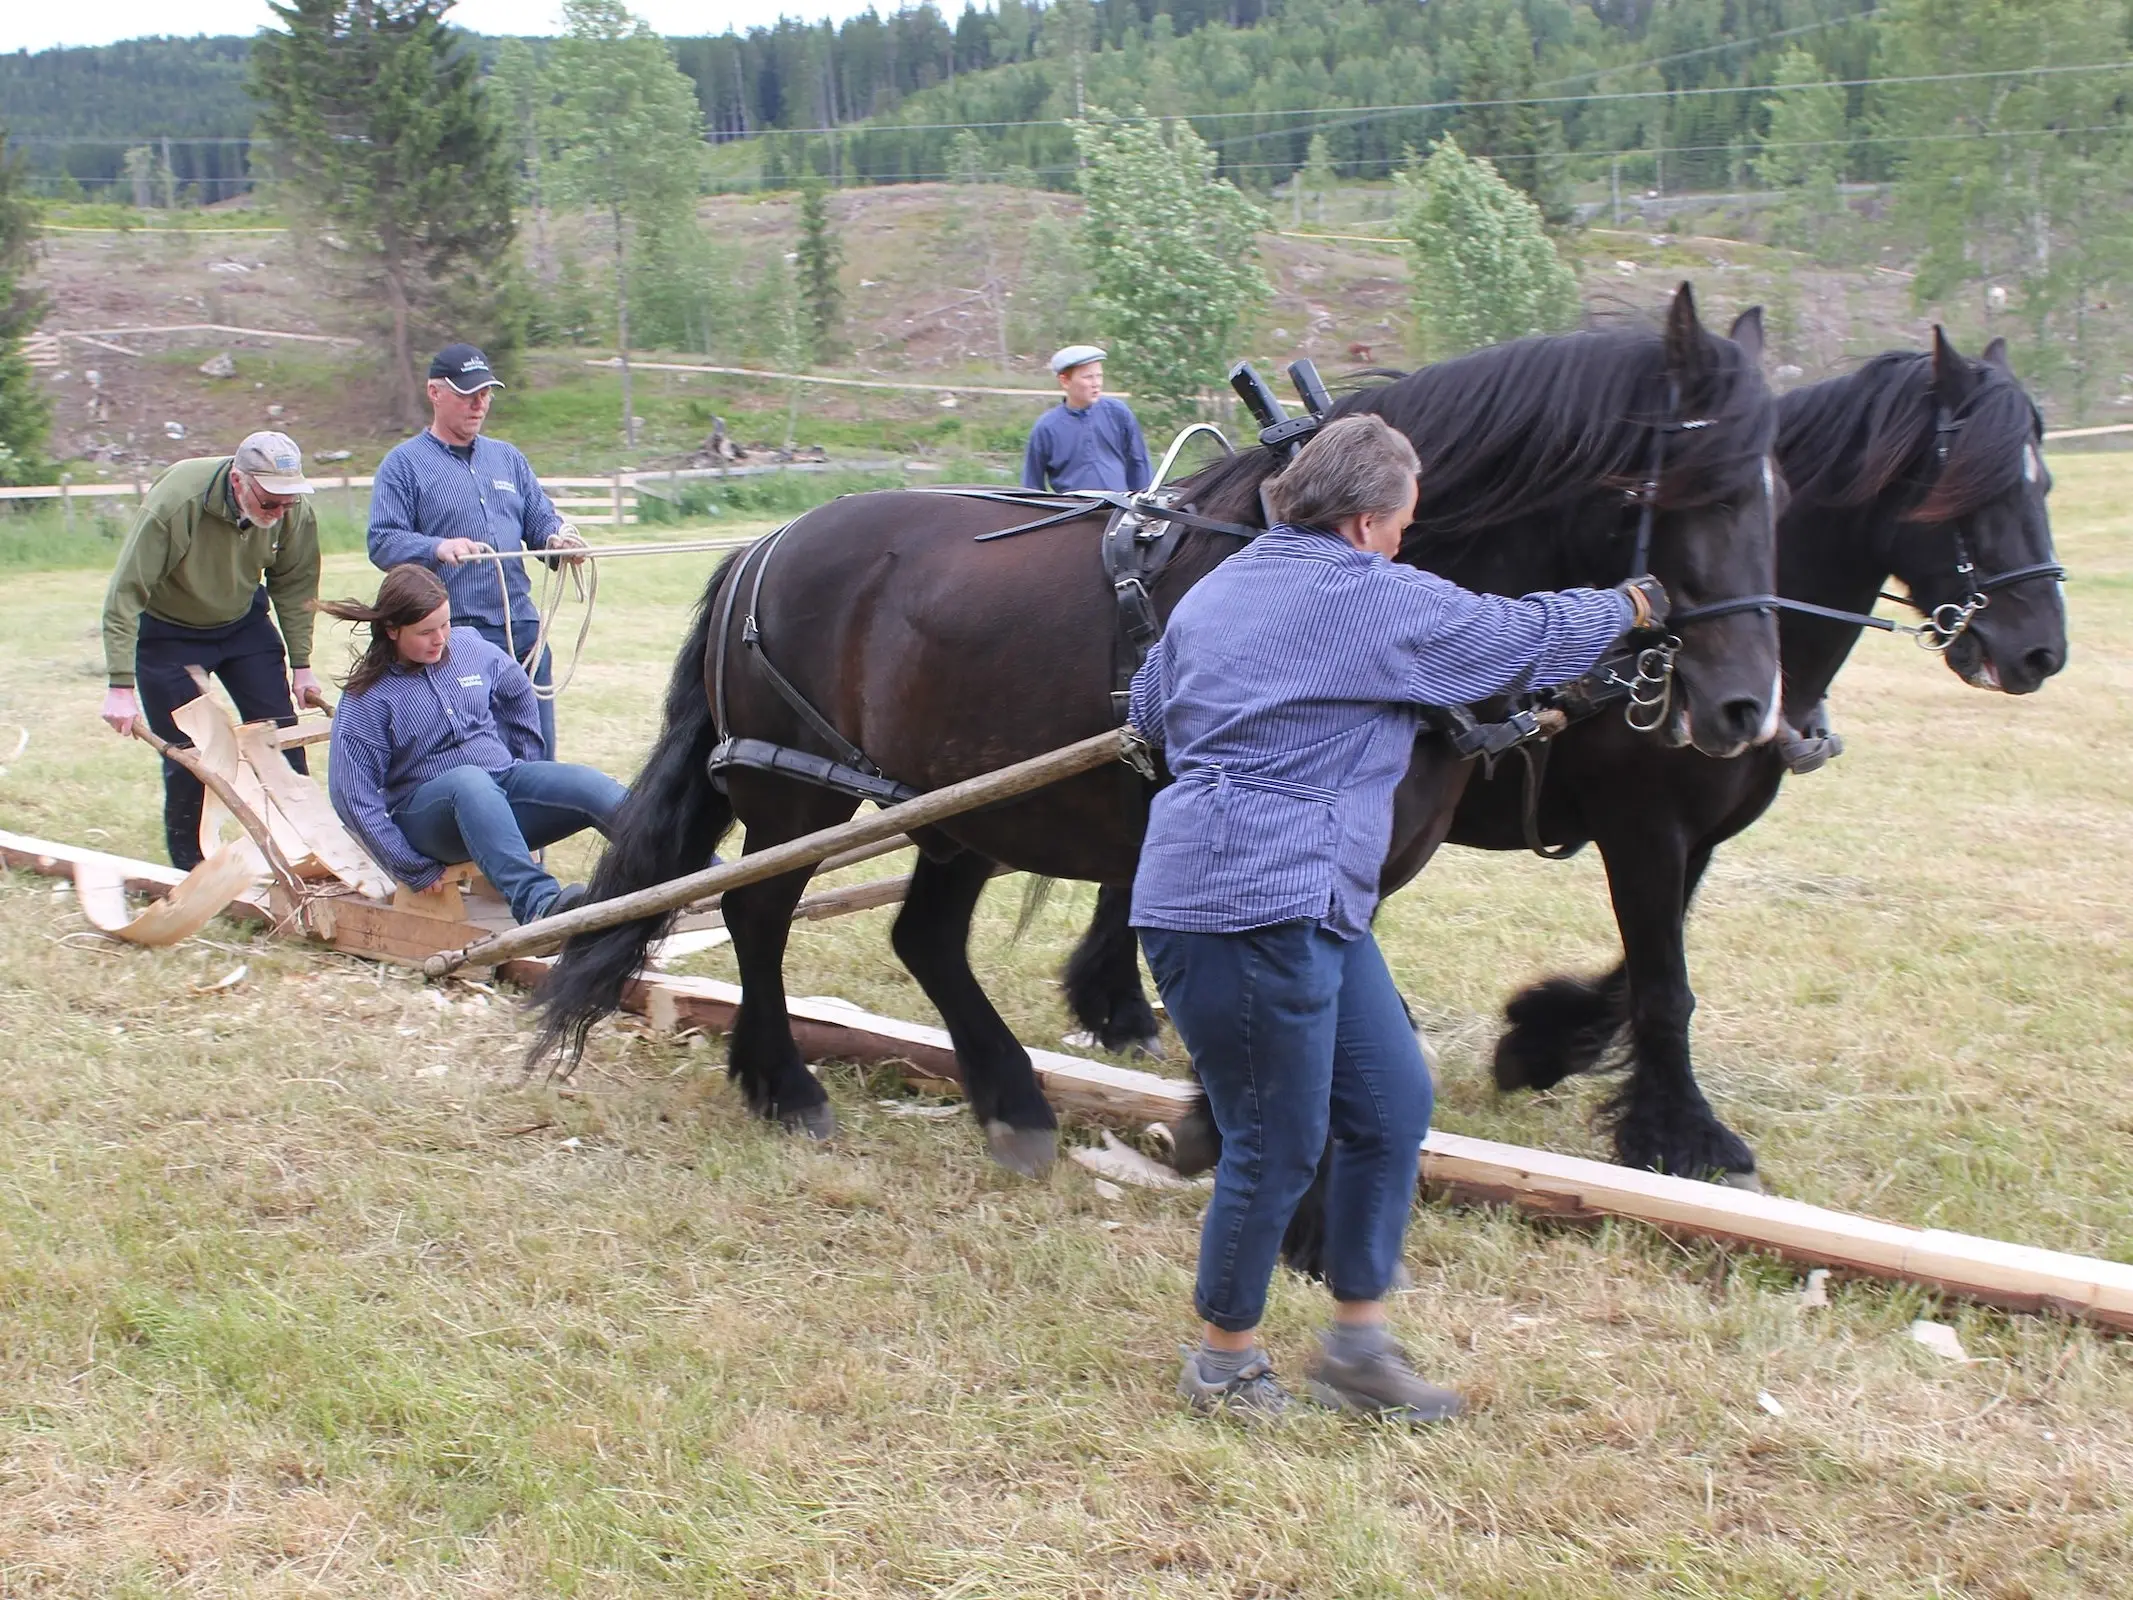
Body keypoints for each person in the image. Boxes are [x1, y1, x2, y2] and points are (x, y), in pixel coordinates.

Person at [1127, 415, 1669, 1424]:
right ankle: (1222, 1363)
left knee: (1389, 1104)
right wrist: (1631, 603)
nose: (1407, 540)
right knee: (1275, 1142)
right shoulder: (1374, 600)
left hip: (1317, 899)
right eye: (1405, 524)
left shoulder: (1216, 591)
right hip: (1238, 908)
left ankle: (1358, 1346)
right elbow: (1521, 638)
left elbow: (1152, 711)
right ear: (1369, 521)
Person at [320, 564, 628, 926]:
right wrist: (408, 865)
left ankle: (695, 869)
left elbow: (515, 687)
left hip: (500, 784)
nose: (440, 639)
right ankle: (542, 908)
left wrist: (527, 760)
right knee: (469, 783)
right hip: (428, 821)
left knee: (585, 784)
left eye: (445, 625)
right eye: (426, 632)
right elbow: (351, 796)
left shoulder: (468, 646)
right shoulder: (366, 699)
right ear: (392, 630)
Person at [98, 430, 325, 870]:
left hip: (242, 624)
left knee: (279, 735)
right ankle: (194, 868)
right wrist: (119, 685)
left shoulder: (292, 510)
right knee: (191, 756)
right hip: (170, 633)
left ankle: (307, 849)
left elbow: (296, 585)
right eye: (269, 503)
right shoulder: (177, 502)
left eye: (287, 504)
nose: (278, 513)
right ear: (238, 481)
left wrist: (302, 664)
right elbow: (126, 592)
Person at [366, 342, 587, 760]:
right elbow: (382, 541)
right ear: (435, 393)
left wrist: (559, 541)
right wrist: (436, 547)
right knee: (477, 754)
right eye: (469, 394)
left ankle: (535, 821)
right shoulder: (403, 465)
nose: (479, 404)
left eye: (485, 394)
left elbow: (540, 521)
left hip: (521, 628)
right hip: (455, 633)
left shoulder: (509, 460)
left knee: (537, 751)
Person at [1021, 344, 1153, 494]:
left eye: (1099, 376)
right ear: (1065, 381)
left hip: (1119, 509)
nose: (1096, 383)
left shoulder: (1118, 413)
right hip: (1073, 512)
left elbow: (1139, 463)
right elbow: (1032, 486)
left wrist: (1143, 504)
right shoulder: (1046, 428)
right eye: (1088, 377)